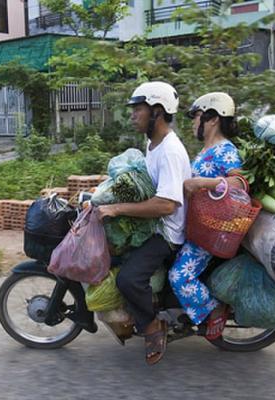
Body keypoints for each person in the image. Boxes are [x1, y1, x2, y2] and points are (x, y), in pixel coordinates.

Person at [97, 81, 191, 365]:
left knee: (128, 279)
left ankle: (152, 325)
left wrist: (117, 207)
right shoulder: (153, 144)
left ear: (158, 112)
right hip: (151, 226)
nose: (132, 115)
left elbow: (166, 204)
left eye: (138, 109)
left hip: (167, 232)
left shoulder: (170, 151)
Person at [168, 92, 245, 340]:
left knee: (179, 276)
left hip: (212, 230)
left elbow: (240, 185)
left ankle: (214, 310)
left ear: (213, 119)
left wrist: (203, 182)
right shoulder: (206, 151)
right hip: (197, 225)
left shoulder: (225, 150)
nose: (193, 123)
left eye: (197, 117)